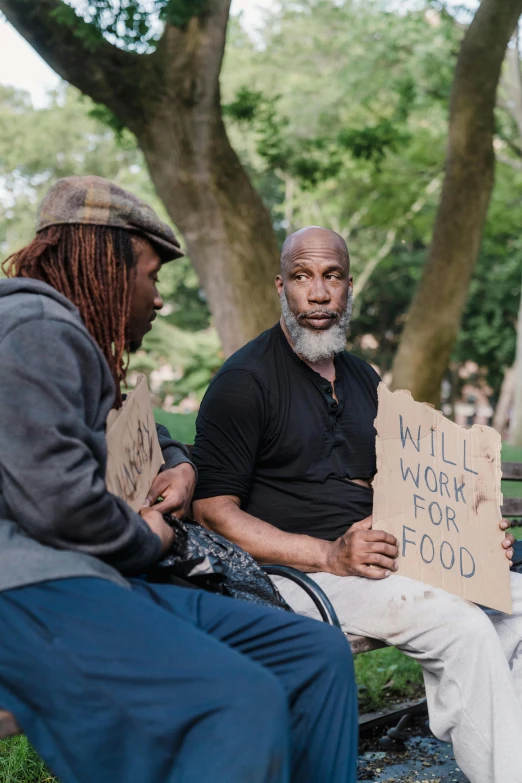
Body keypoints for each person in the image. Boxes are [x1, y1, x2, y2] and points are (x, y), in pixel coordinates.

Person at [0, 187, 358, 783]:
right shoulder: (34, 326)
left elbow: (130, 421)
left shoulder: (61, 338)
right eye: (151, 276)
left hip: (96, 582)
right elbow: (61, 506)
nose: (159, 299)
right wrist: (150, 537)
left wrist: (179, 462)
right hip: (34, 590)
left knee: (313, 653)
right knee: (240, 701)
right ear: (108, 266)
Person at [192, 225, 522, 783]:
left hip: (383, 557)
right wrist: (327, 554)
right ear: (282, 286)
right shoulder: (244, 381)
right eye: (302, 277)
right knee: (460, 626)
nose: (318, 293)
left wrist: (473, 535)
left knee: (513, 597)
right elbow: (212, 512)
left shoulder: (361, 375)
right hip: (297, 573)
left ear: (348, 289)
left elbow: (402, 480)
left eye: (332, 277)